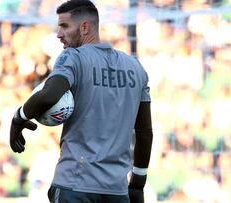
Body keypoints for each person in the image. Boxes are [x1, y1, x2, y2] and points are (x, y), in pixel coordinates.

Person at [9, 0, 153, 202]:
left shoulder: (73, 57)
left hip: (75, 185)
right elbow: (144, 131)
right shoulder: (136, 68)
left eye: (64, 26)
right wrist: (138, 182)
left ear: (85, 27)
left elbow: (50, 95)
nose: (59, 34)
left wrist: (19, 117)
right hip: (116, 191)